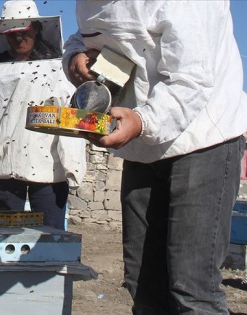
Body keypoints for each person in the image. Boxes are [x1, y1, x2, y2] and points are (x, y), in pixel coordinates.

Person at [63, 1, 247, 314]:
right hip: (143, 144)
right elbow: (88, 35)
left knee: (192, 287)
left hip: (203, 134)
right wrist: (75, 57)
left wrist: (143, 122)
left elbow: (191, 80)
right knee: (143, 286)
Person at [0, 0, 86, 230]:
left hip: (48, 169)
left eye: (24, 32)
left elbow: (68, 116)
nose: (19, 38)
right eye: (12, 34)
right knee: (2, 240)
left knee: (49, 240)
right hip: (3, 167)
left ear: (36, 28)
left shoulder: (58, 66)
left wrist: (74, 166)